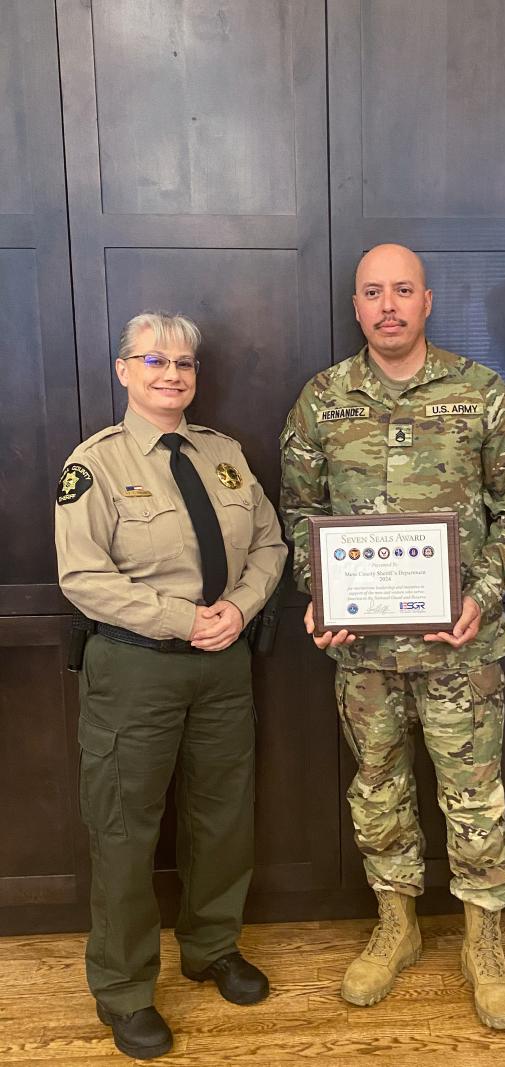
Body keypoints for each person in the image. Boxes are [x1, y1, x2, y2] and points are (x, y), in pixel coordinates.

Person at [279, 244, 505, 1030]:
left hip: (461, 648)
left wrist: (480, 594)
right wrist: (316, 591)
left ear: (428, 301)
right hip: (361, 656)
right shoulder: (321, 401)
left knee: (472, 797)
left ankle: (483, 939)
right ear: (355, 307)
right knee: (379, 790)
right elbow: (297, 515)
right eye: (371, 292)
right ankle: (397, 923)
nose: (387, 305)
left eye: (402, 290)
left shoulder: (481, 395)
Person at [55, 312, 287, 1061]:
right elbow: (83, 578)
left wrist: (240, 609)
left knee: (225, 816)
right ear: (123, 370)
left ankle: (212, 945)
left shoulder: (224, 455)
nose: (172, 374)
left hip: (224, 661)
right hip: (135, 667)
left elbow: (271, 543)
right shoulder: (93, 464)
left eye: (184, 363)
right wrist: (182, 618)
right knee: (124, 830)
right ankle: (123, 988)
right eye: (154, 360)